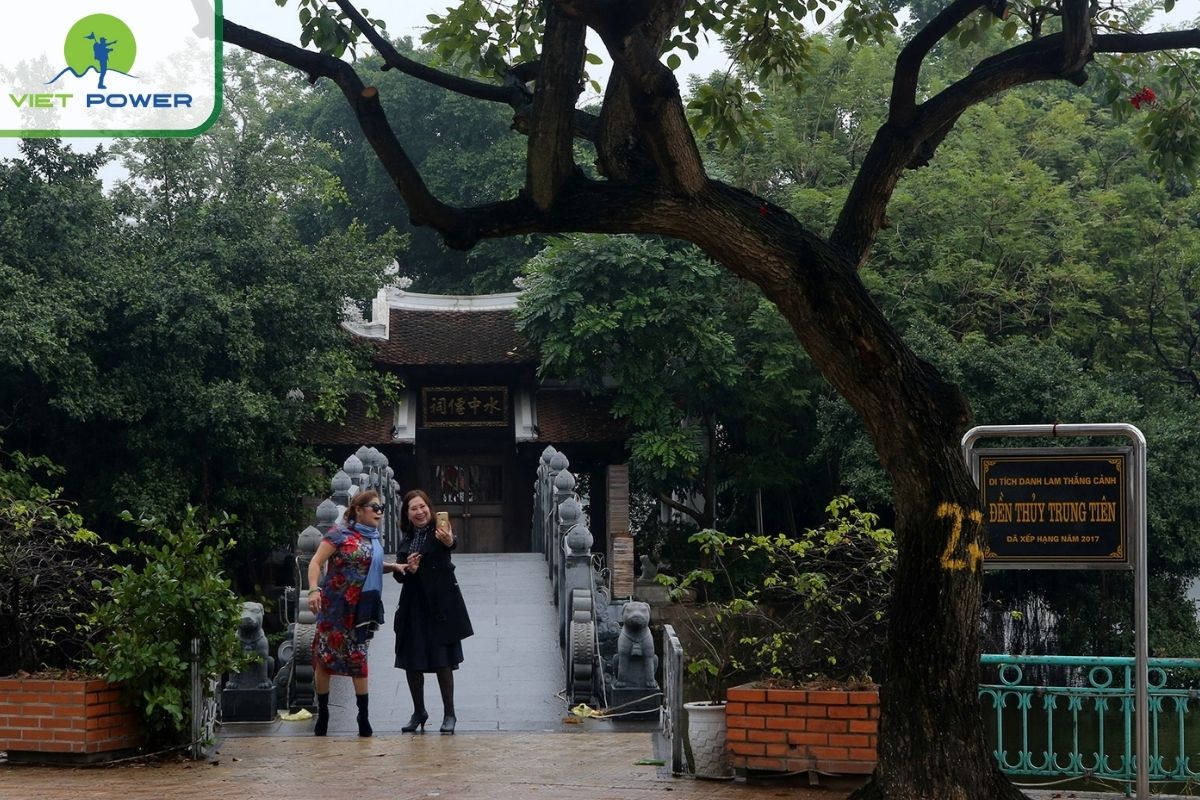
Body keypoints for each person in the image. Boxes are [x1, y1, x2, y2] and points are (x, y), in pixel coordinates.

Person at [308, 489, 393, 736]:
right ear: (358, 509)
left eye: (381, 509)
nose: (379, 513)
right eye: (375, 508)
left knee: (359, 658)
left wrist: (394, 567)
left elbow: (370, 565)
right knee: (324, 659)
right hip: (334, 607)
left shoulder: (373, 538)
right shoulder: (339, 534)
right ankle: (323, 713)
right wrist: (313, 590)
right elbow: (315, 562)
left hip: (361, 608)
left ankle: (363, 716)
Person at [392, 489, 474, 734]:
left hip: (440, 604)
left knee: (442, 661)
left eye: (422, 507)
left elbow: (451, 543)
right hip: (413, 605)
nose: (419, 512)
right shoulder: (406, 538)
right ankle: (419, 712)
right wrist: (409, 569)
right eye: (413, 508)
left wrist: (449, 540)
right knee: (412, 662)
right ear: (407, 514)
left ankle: (450, 714)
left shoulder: (440, 531)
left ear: (430, 508)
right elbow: (399, 573)